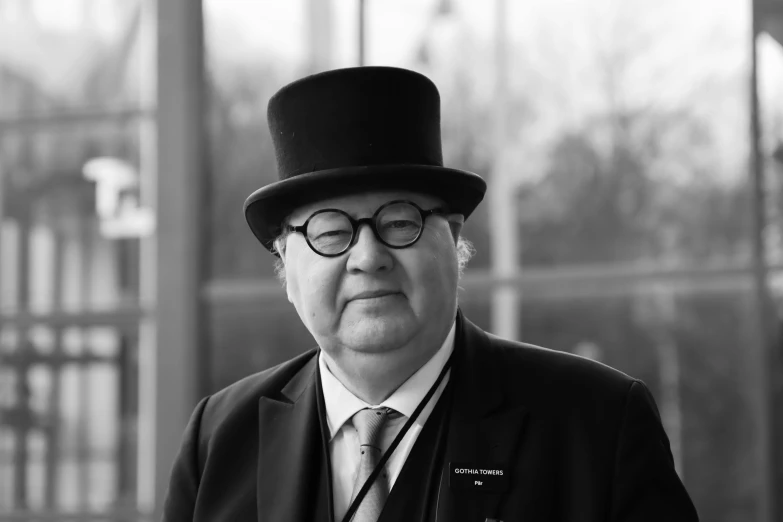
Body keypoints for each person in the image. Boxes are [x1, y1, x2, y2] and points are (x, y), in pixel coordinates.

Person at [162, 66, 699, 522]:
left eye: (401, 222)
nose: (368, 257)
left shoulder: (597, 425)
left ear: (456, 238)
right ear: (284, 264)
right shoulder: (218, 441)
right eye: (329, 232)